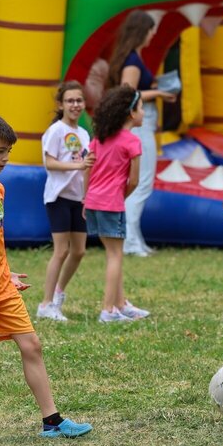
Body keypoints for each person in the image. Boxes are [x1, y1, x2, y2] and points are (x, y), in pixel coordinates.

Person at [0, 113, 93, 443]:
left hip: (1, 283)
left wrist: (5, 273)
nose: (6, 158)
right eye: (0, 151)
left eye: (8, 152)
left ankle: (52, 422)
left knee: (31, 344)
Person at [106, 10, 177, 257]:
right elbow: (128, 93)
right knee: (141, 182)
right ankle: (129, 241)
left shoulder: (133, 57)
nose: (153, 34)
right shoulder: (132, 61)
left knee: (142, 182)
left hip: (143, 124)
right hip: (139, 127)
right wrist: (158, 93)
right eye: (150, 30)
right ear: (141, 31)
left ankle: (135, 238)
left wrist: (155, 86)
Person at [84, 86, 151, 323]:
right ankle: (108, 310)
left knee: (113, 254)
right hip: (111, 204)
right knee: (115, 255)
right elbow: (134, 181)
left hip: (93, 202)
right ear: (131, 113)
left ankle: (120, 304)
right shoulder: (132, 142)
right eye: (141, 107)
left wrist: (86, 199)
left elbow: (88, 170)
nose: (144, 112)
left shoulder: (99, 139)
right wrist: (121, 196)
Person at [37, 81, 94, 322]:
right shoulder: (56, 131)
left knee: (78, 251)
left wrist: (87, 197)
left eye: (79, 100)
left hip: (78, 199)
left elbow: (88, 168)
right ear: (61, 105)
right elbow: (49, 163)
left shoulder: (84, 134)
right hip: (58, 197)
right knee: (61, 251)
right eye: (70, 101)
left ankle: (58, 293)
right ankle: (45, 304)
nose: (75, 105)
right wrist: (77, 165)